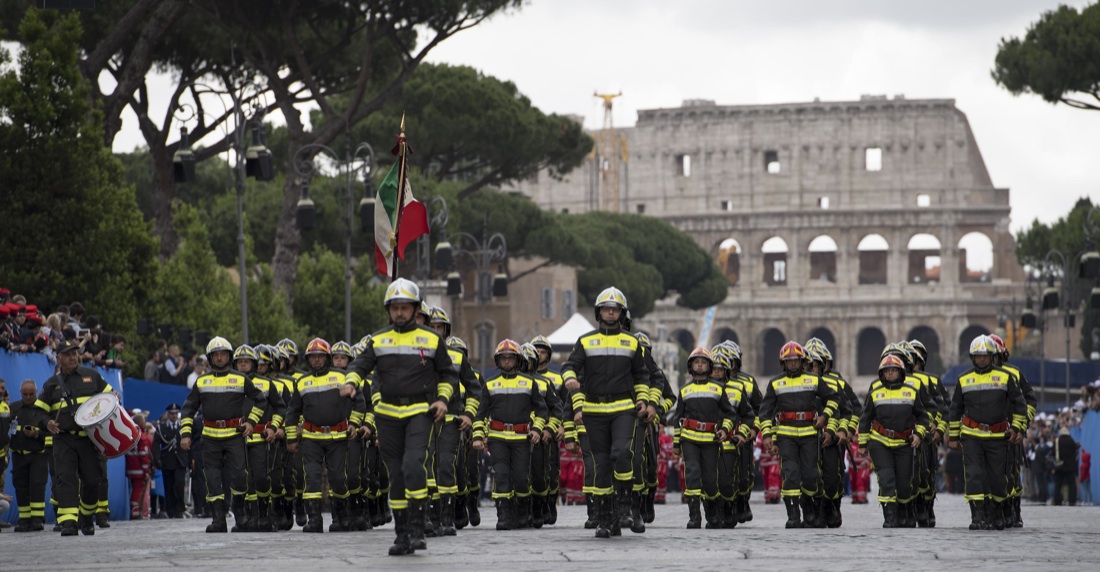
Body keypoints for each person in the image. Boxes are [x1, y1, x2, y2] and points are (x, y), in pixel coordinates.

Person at [347, 278, 456, 556]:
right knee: (395, 474)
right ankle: (402, 534)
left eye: (404, 307)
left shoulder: (431, 339)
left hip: (420, 411)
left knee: (412, 465)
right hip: (386, 413)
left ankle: (419, 528)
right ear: (388, 310)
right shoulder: (379, 338)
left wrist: (442, 399)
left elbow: (447, 374)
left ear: (415, 308)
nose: (399, 313)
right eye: (394, 308)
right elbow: (361, 364)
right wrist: (351, 381)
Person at [561, 286, 652, 538]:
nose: (610, 313)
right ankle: (605, 518)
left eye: (614, 309)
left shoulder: (633, 342)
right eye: (606, 309)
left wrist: (643, 400)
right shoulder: (585, 341)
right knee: (601, 465)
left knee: (622, 453)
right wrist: (570, 380)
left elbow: (642, 375)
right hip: (593, 410)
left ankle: (624, 503)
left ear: (621, 314)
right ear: (598, 312)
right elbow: (570, 366)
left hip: (624, 408)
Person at [179, 336, 268, 533]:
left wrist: (252, 422)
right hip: (210, 436)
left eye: (223, 354)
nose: (219, 358)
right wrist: (185, 434)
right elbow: (188, 409)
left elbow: (260, 400)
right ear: (210, 358)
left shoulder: (240, 378)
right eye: (216, 355)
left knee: (238, 476)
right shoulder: (202, 381)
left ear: (229, 356)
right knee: (212, 478)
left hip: (235, 435)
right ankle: (218, 519)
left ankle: (240, 515)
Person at [285, 338, 366, 533]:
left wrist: (354, 424)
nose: (317, 360)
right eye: (313, 357)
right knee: (311, 478)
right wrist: (291, 438)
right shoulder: (302, 382)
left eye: (320, 356)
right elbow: (292, 411)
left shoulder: (342, 376)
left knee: (338, 478)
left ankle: (342, 517)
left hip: (338, 437)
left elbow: (360, 402)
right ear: (307, 359)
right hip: (311, 438)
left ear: (327, 358)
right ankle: (314, 520)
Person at [947, 335, 1027, 530]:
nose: (981, 359)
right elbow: (955, 409)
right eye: (978, 356)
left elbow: (1020, 404)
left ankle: (997, 512)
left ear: (992, 356)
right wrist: (954, 437)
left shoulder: (1006, 377)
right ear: (972, 357)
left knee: (998, 477)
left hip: (999, 436)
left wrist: (1016, 428)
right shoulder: (963, 379)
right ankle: (977, 515)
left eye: (985, 355)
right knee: (974, 475)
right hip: (972, 435)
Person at [35, 340, 115, 536]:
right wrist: (47, 423)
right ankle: (69, 522)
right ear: (59, 358)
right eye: (67, 354)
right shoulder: (51, 384)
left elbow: (111, 397)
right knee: (65, 479)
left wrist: (114, 396)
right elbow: (38, 412)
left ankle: (86, 518)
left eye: (74, 353)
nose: (72, 357)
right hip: (63, 440)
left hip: (88, 439)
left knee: (92, 480)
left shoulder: (92, 376)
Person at [757, 341, 839, 529]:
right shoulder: (775, 382)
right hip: (786, 436)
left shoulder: (814, 380)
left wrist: (825, 416)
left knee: (811, 475)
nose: (792, 364)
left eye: (796, 360)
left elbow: (834, 398)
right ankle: (793, 515)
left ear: (802, 361)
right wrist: (768, 435)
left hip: (810, 434)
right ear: (783, 363)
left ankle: (811, 511)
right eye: (789, 361)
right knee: (790, 475)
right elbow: (765, 411)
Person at [471, 339, 548, 531]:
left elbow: (542, 411)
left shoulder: (530, 382)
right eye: (503, 358)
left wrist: (537, 430)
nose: (507, 361)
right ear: (497, 361)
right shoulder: (489, 384)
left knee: (521, 477)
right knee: (502, 475)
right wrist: (478, 437)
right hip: (497, 438)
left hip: (522, 438)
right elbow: (480, 413)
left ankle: (522, 512)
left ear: (517, 360)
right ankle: (503, 515)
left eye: (510, 358)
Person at [857, 354, 929, 527]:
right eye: (887, 371)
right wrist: (862, 444)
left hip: (904, 442)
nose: (890, 374)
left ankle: (904, 513)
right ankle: (889, 516)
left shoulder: (911, 392)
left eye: (893, 371)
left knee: (905, 483)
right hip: (880, 442)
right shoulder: (874, 393)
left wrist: (918, 434)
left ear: (901, 373)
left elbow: (923, 417)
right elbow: (865, 419)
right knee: (886, 478)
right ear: (881, 374)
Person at [671, 347, 738, 529]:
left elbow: (731, 414)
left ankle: (712, 514)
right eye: (696, 362)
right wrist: (676, 444)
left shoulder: (718, 388)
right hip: (689, 440)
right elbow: (678, 419)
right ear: (691, 366)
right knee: (692, 474)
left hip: (710, 440)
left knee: (710, 479)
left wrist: (725, 430)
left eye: (703, 362)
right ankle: (694, 516)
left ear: (709, 366)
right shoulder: (684, 390)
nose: (699, 365)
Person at [427, 307, 481, 535]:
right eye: (432, 327)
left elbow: (474, 387)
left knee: (446, 466)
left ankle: (448, 518)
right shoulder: (414, 353)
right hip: (422, 421)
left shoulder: (457, 356)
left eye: (440, 327)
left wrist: (468, 414)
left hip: (450, 421)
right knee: (426, 468)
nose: (436, 332)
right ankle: (431, 517)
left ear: (446, 331)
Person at [233, 344, 285, 532]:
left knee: (261, 478)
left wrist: (273, 427)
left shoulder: (266, 383)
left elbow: (280, 408)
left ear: (253, 363)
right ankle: (247, 518)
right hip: (235, 440)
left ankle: (264, 517)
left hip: (261, 439)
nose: (243, 365)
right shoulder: (230, 382)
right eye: (240, 362)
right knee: (241, 480)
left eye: (247, 361)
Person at [9, 379, 48, 531]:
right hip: (19, 455)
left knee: (37, 486)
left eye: (31, 394)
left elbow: (50, 432)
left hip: (37, 455)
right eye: (25, 394)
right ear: (20, 393)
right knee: (20, 486)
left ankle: (37, 519)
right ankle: (24, 520)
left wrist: (37, 434)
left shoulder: (42, 410)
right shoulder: (14, 409)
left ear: (36, 393)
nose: (28, 397)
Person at [153, 403, 188, 518]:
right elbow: (156, 444)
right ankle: (170, 509)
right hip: (168, 460)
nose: (174, 416)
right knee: (169, 486)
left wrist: (191, 459)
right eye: (172, 414)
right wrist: (157, 458)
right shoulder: (161, 428)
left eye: (175, 414)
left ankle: (179, 509)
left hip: (180, 461)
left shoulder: (183, 427)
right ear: (168, 414)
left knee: (179, 484)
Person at [125, 414, 153, 519]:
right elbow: (144, 455)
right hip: (139, 469)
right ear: (141, 423)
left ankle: (135, 510)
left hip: (131, 467)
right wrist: (146, 471)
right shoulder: (142, 436)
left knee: (134, 489)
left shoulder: (130, 433)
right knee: (138, 490)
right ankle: (135, 512)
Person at [1052, 428, 1079, 506]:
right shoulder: (1071, 441)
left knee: (1058, 484)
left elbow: (1053, 453)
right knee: (1071, 484)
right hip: (1070, 466)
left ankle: (1057, 500)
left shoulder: (1057, 441)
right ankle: (1072, 500)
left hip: (1059, 466)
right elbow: (1074, 451)